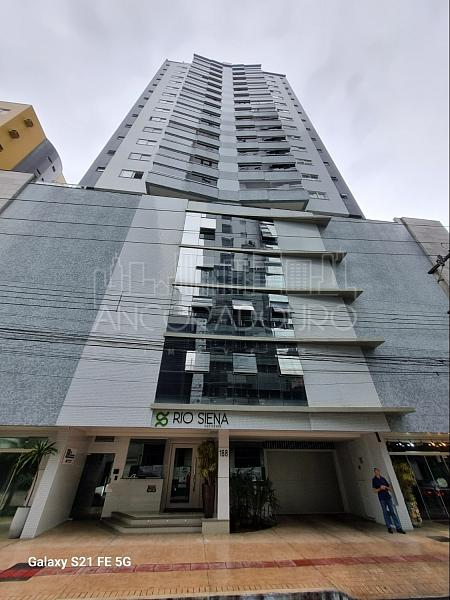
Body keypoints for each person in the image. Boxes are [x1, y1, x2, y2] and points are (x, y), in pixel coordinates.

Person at [372, 467, 406, 534]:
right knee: (385, 513)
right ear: (374, 472)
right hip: (382, 498)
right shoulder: (374, 480)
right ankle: (389, 527)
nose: (376, 472)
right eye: (375, 471)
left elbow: (390, 488)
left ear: (379, 471)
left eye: (377, 471)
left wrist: (385, 487)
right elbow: (374, 490)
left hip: (388, 497)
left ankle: (398, 527)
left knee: (392, 512)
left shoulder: (383, 479)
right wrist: (380, 488)